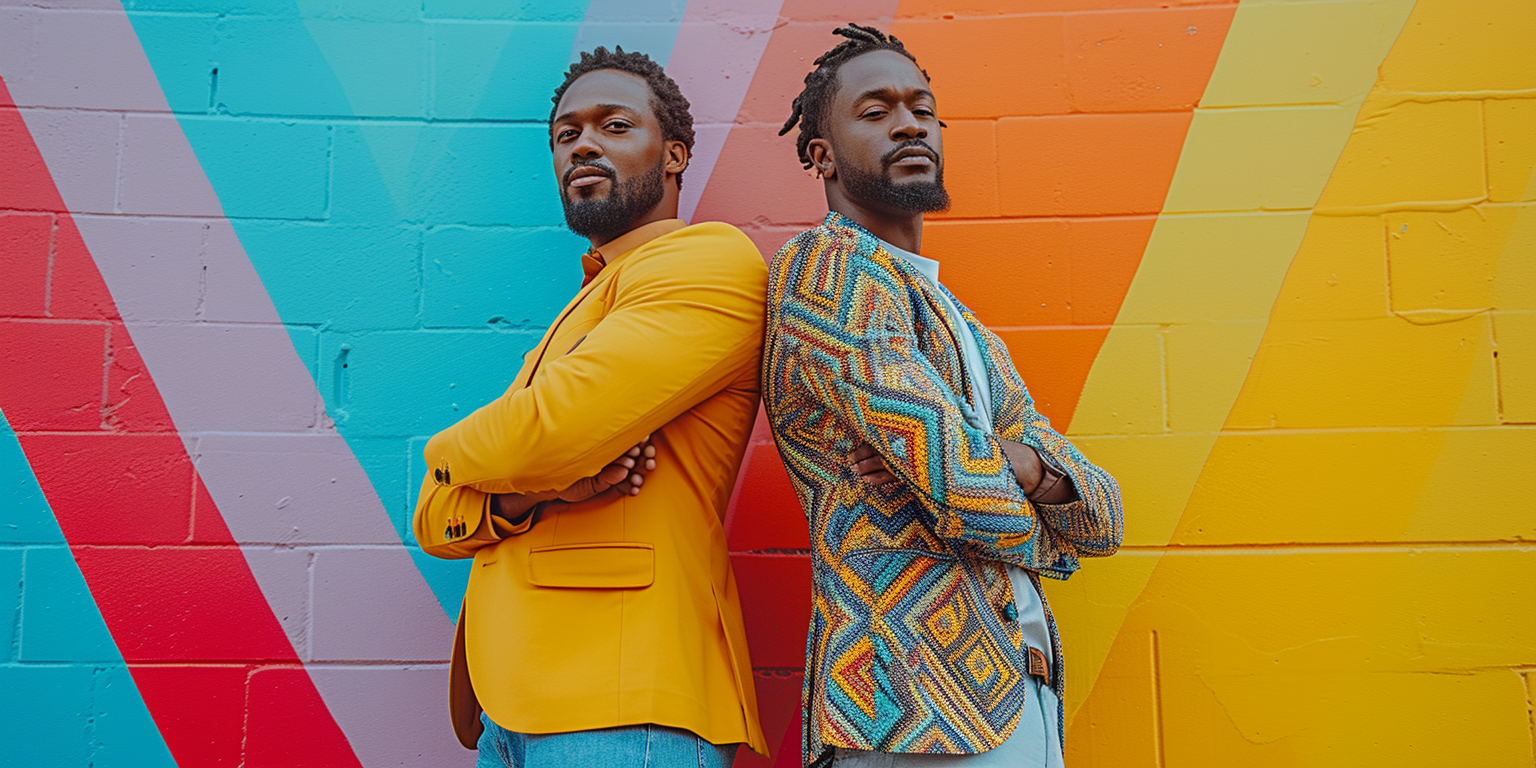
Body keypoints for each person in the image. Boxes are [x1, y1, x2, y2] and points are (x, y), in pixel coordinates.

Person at [761, 25, 1125, 768]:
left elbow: (1105, 518)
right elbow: (967, 495)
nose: (908, 123)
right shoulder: (829, 274)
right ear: (820, 154)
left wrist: (1019, 467)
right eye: (875, 110)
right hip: (910, 710)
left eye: (923, 109)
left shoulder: (968, 330)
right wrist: (1023, 488)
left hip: (1019, 699)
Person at [413, 46, 769, 768]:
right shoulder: (588, 304)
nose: (583, 143)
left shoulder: (709, 262)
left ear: (674, 155)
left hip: (627, 708)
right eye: (565, 133)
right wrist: (528, 496)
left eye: (613, 124)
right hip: (513, 713)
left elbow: (553, 431)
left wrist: (441, 454)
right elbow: (435, 521)